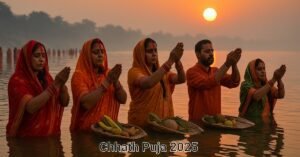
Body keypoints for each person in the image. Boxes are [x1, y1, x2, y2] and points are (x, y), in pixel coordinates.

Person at [6, 40, 70, 137]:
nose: (41, 59)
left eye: (43, 56)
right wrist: (55, 84)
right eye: (37, 56)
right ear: (27, 58)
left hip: (50, 139)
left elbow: (65, 103)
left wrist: (62, 86)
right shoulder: (16, 81)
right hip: (26, 141)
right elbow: (31, 107)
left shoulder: (47, 78)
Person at [70, 38, 127, 131]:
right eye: (96, 52)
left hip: (110, 131)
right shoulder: (79, 76)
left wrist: (115, 81)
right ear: (87, 55)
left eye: (102, 52)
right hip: (86, 134)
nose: (100, 55)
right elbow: (86, 103)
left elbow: (123, 99)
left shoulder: (108, 73)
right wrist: (107, 82)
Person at [127, 38, 185, 127]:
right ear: (141, 54)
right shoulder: (134, 72)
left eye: (155, 51)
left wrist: (177, 61)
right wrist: (170, 61)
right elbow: (148, 83)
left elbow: (181, 79)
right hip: (141, 126)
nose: (154, 54)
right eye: (150, 51)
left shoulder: (163, 73)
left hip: (164, 126)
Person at [186, 39, 241, 124]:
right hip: (197, 125)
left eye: (212, 50)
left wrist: (234, 64)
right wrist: (227, 64)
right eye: (207, 51)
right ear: (198, 54)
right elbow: (208, 83)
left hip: (216, 123)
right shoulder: (191, 72)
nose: (211, 54)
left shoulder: (216, 71)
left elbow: (234, 82)